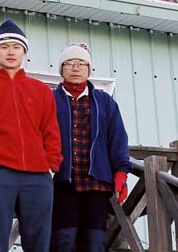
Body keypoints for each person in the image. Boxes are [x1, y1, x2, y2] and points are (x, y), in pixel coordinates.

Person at [0, 18, 62, 252]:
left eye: (16, 47)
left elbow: (51, 132)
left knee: (39, 243)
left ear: (24, 52)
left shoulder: (41, 91)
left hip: (38, 176)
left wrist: (51, 166)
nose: (10, 52)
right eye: (4, 47)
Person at [51, 43, 132, 252]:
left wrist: (121, 173)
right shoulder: (49, 100)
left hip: (96, 183)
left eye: (81, 63)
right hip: (60, 181)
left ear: (89, 69)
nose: (75, 68)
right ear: (61, 69)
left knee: (94, 242)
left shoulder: (104, 102)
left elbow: (117, 138)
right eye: (69, 63)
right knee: (63, 240)